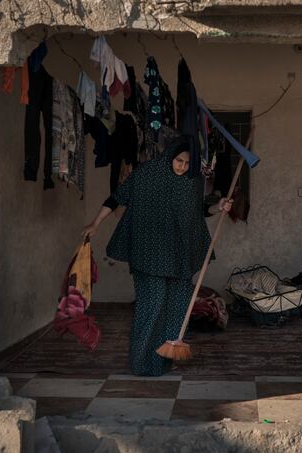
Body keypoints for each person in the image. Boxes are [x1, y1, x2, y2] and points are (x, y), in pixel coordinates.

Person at [82, 137, 231, 376]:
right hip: (149, 253)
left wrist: (219, 206)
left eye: (186, 163)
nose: (182, 166)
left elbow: (200, 210)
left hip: (180, 255)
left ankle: (162, 361)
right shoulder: (147, 174)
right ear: (170, 156)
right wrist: (95, 224)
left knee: (177, 308)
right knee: (152, 305)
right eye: (179, 161)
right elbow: (117, 197)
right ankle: (142, 362)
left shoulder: (192, 181)